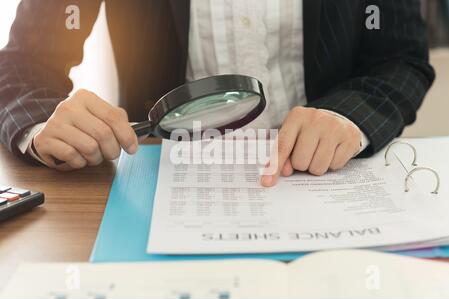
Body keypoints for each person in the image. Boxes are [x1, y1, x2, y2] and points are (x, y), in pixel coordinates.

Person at [0, 0, 435, 188]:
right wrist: (41, 126)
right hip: (157, 182)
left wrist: (349, 117)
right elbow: (24, 64)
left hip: (323, 180)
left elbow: (400, 57)